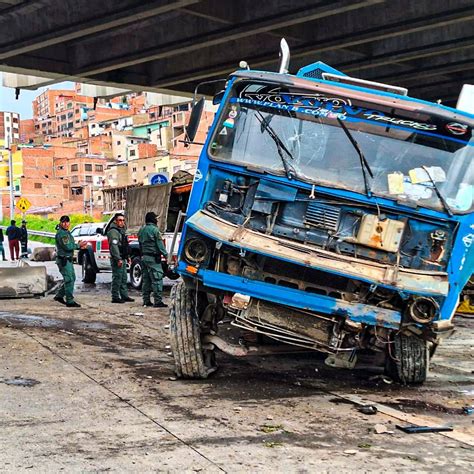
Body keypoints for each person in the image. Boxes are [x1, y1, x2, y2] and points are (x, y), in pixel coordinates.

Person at [54, 215, 86, 308]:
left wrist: (77, 245)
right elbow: (67, 246)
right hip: (64, 259)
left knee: (71, 278)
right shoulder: (62, 234)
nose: (66, 224)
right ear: (60, 223)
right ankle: (69, 301)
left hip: (67, 259)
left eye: (67, 222)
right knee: (69, 279)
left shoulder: (66, 232)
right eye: (64, 222)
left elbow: (69, 244)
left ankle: (59, 295)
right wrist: (78, 246)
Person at [138, 211, 168, 308]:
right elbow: (160, 246)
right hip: (153, 259)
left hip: (144, 257)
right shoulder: (155, 230)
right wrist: (167, 256)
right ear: (153, 219)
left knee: (146, 280)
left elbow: (140, 245)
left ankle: (146, 301)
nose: (157, 220)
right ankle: (158, 301)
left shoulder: (141, 230)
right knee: (157, 279)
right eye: (156, 218)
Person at [107, 213, 134, 304]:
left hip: (122, 257)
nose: (122, 222)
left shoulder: (121, 231)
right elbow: (114, 246)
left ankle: (124, 295)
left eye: (123, 220)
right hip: (117, 258)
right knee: (117, 277)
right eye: (120, 220)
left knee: (123, 278)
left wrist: (127, 256)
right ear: (115, 221)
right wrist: (118, 258)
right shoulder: (113, 231)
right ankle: (115, 296)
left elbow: (125, 245)